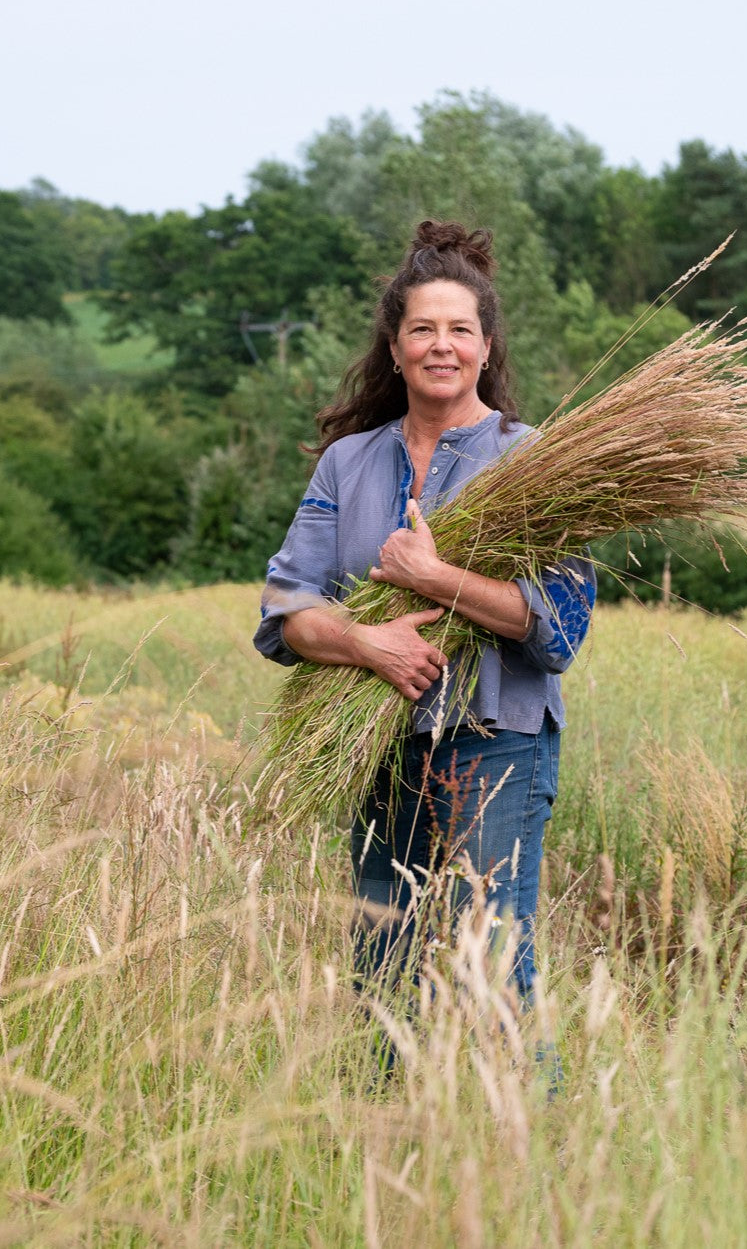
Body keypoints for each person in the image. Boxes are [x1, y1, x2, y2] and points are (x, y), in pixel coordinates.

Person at [253, 220, 595, 1007]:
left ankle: (525, 1127)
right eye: (422, 329)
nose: (441, 345)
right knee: (382, 968)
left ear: (484, 345)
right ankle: (387, 1127)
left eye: (459, 330)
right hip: (377, 749)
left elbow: (558, 628)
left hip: (497, 743)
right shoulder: (348, 462)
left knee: (494, 967)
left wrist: (436, 576)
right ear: (395, 345)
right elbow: (285, 611)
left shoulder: (536, 459)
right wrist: (366, 643)